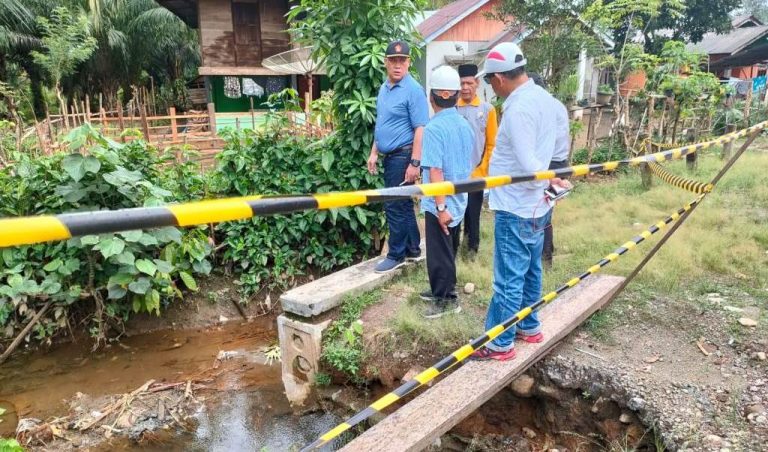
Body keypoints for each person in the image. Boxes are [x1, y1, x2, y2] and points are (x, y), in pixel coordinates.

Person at [471, 42, 560, 361]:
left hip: (516, 205)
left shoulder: (518, 108)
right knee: (531, 269)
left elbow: (527, 163)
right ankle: (529, 325)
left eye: (489, 81)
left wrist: (548, 176)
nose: (491, 87)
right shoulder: (546, 100)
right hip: (537, 204)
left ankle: (499, 342)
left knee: (509, 276)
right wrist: (555, 175)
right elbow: (558, 144)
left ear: (498, 79)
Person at [368, 41, 430, 274]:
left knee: (394, 204)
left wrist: (415, 162)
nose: (397, 65)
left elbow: (421, 129)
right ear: (385, 62)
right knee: (402, 204)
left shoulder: (413, 90)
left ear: (408, 63)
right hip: (389, 155)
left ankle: (396, 255)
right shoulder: (384, 88)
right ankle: (413, 249)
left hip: (403, 156)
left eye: (402, 60)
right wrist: (374, 152)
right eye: (393, 60)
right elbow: (382, 123)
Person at [419, 65, 474, 319]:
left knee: (440, 253)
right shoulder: (464, 125)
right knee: (448, 249)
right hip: (459, 200)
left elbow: (436, 172)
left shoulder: (433, 129)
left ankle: (446, 300)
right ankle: (440, 289)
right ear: (455, 96)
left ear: (432, 97)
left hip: (440, 203)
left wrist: (440, 208)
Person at [529, 72, 571, 269]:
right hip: (559, 162)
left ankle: (545, 258)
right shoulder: (556, 104)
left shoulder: (542, 107)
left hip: (550, 165)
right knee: (547, 209)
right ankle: (547, 251)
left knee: (541, 211)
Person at [456, 64, 498, 258]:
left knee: (473, 215)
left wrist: (481, 170)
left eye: (469, 83)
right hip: (455, 175)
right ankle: (454, 249)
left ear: (477, 83)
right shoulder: (453, 108)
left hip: (476, 174)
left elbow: (491, 144)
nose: (465, 87)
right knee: (456, 215)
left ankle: (472, 251)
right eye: (462, 83)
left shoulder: (487, 110)